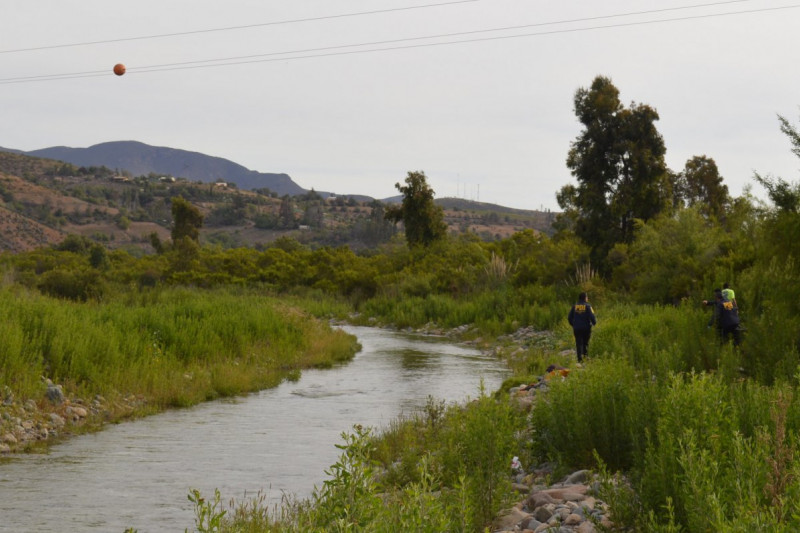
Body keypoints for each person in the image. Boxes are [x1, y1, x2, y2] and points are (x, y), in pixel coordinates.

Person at [567, 292, 596, 362]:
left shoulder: (574, 306)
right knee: (585, 343)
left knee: (578, 343)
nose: (587, 298)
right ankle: (585, 357)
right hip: (586, 328)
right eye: (587, 297)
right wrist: (594, 323)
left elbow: (569, 317)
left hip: (577, 328)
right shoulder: (588, 306)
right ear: (585, 298)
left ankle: (579, 359)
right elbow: (592, 316)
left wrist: (573, 325)